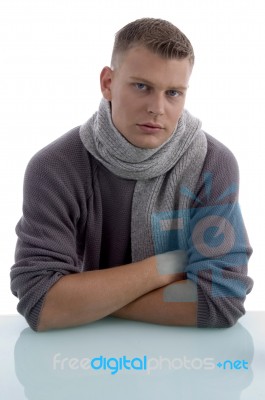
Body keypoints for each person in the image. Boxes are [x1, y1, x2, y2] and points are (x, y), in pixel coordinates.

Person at [10, 18, 253, 332]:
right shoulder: (54, 168)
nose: (157, 107)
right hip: (81, 359)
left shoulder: (212, 164)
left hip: (183, 364)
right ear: (108, 83)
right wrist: (162, 268)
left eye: (174, 93)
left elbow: (222, 300)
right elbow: (40, 302)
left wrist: (83, 301)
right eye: (142, 86)